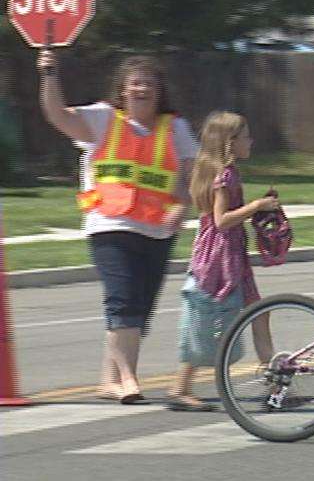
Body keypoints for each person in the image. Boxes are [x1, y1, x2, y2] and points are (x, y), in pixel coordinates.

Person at [38, 51, 197, 404]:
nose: (142, 89)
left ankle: (109, 380)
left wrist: (180, 210)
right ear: (122, 90)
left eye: (149, 83)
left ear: (160, 91)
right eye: (135, 83)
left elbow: (187, 181)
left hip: (156, 229)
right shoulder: (103, 118)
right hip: (110, 224)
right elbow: (57, 115)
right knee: (122, 299)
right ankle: (128, 378)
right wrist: (49, 73)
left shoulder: (176, 128)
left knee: (140, 306)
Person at [167, 111, 279, 411]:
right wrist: (257, 206)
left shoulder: (216, 170)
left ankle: (275, 384)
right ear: (230, 142)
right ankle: (180, 388)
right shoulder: (225, 175)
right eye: (245, 137)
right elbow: (221, 220)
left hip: (229, 254)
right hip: (219, 258)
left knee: (260, 312)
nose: (251, 141)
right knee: (204, 320)